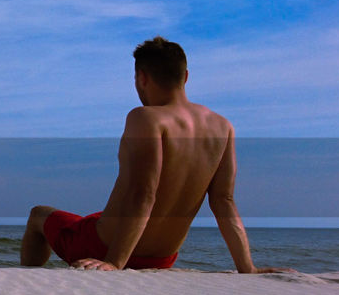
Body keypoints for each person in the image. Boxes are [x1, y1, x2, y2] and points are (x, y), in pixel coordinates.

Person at [20, 36, 285, 273]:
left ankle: (29, 281)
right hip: (163, 258)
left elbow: (144, 193)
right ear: (186, 77)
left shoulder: (146, 118)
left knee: (39, 214)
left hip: (107, 249)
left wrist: (114, 262)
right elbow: (223, 201)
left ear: (142, 78)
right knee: (96, 216)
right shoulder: (223, 127)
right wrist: (247, 267)